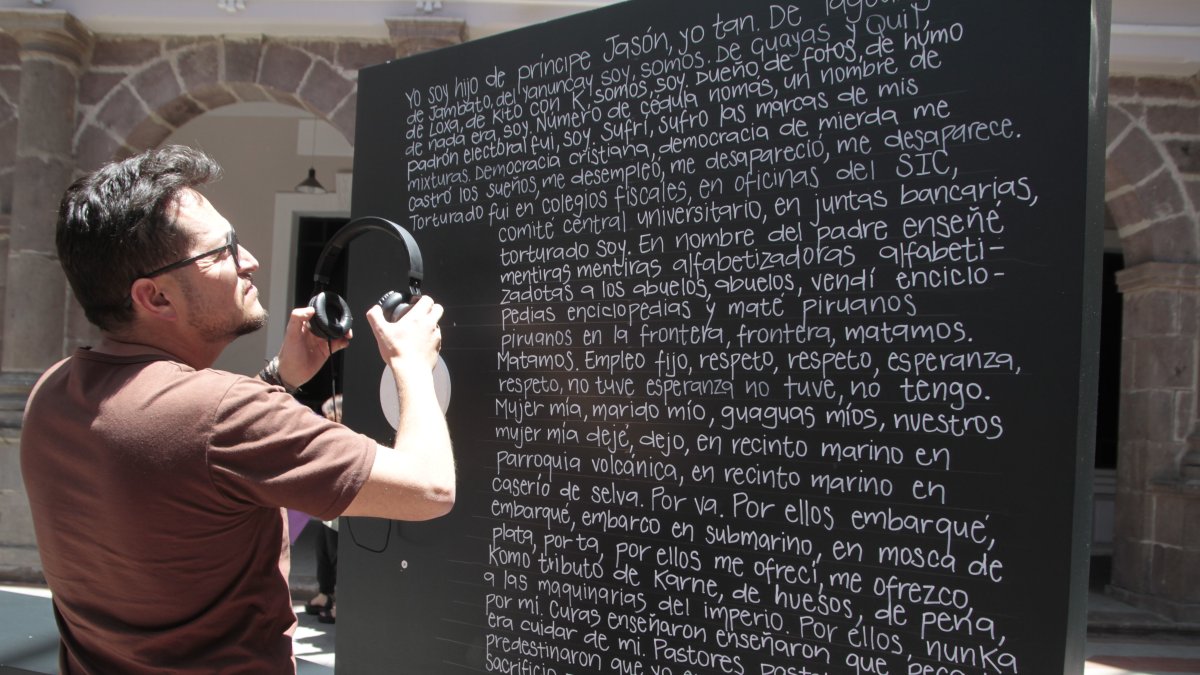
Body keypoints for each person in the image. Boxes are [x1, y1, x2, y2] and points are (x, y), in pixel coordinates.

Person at [20, 145, 454, 673]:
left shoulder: (51, 391)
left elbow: (185, 452)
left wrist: (278, 379)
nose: (248, 259)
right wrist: (410, 364)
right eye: (222, 250)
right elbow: (430, 489)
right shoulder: (224, 414)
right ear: (155, 298)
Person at [304, 395, 343, 624]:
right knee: (324, 551)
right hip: (326, 508)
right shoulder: (327, 436)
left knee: (339, 556)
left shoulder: (346, 438)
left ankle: (339, 601)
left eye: (330, 416)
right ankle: (325, 593)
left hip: (339, 509)